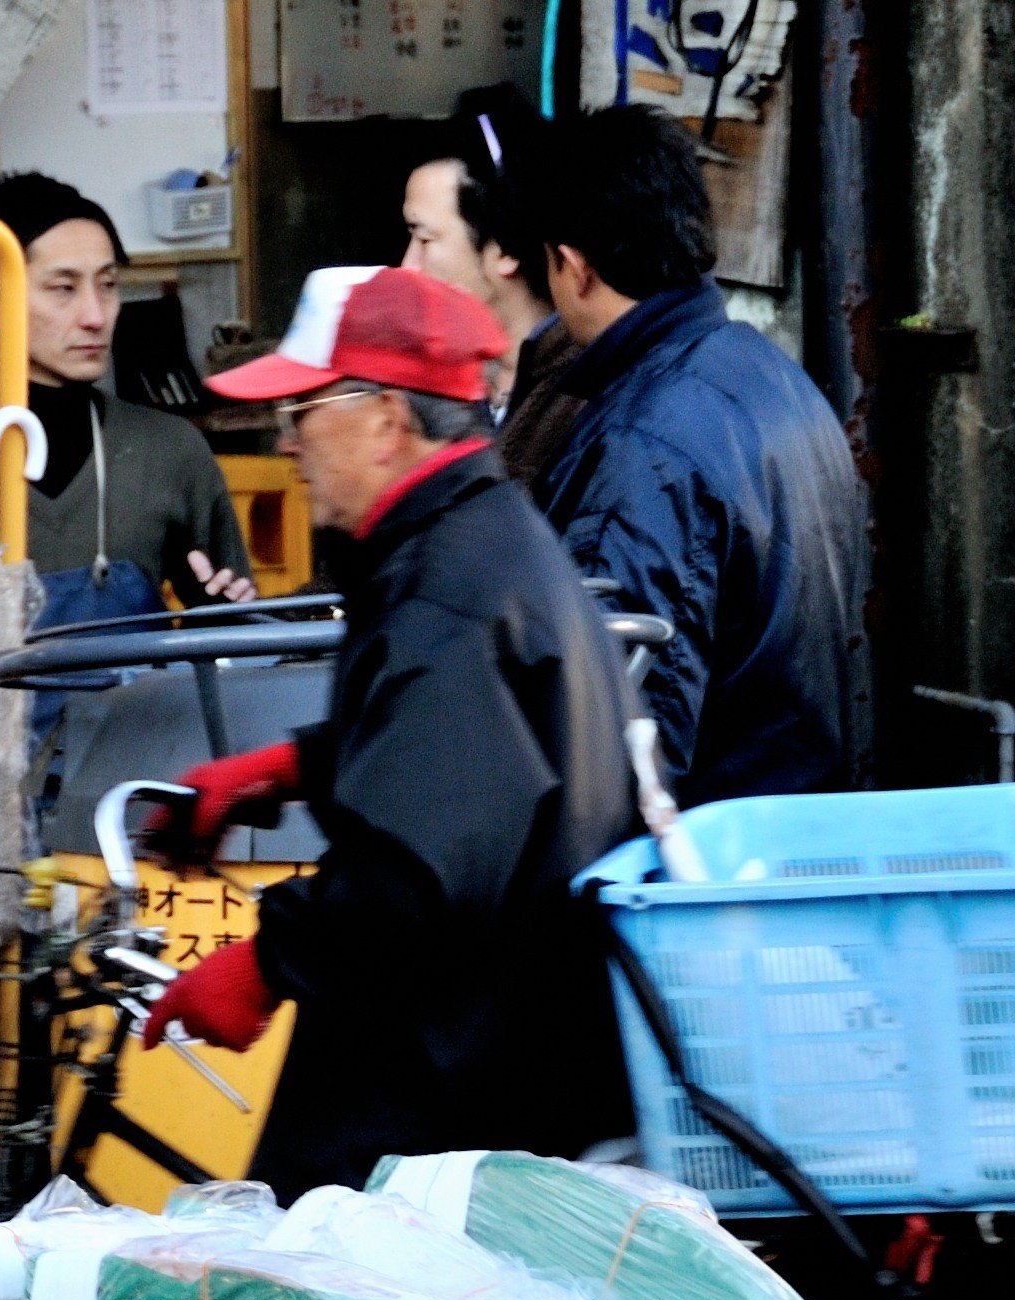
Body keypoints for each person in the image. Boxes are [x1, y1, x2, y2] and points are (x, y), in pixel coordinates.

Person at [136, 266, 638, 1197]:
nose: (285, 442)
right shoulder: (476, 538)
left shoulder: (449, 584)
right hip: (478, 1047)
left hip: (454, 1078)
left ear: (383, 419)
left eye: (301, 409)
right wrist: (282, 770)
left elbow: (415, 871)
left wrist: (263, 965)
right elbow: (465, 762)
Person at [530, 105, 865, 804]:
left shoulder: (644, 441)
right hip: (787, 830)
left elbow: (629, 736)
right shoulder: (771, 374)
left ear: (572, 266)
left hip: (706, 867)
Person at [0, 172, 256, 628]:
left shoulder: (169, 451)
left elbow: (234, 648)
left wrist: (227, 614)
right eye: (63, 288)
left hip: (134, 703)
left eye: (107, 285)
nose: (95, 316)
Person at [401, 86, 587, 489]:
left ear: (505, 248)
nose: (408, 267)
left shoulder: (585, 397)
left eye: (425, 239)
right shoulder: (438, 381)